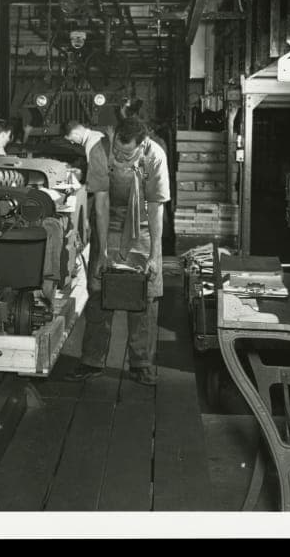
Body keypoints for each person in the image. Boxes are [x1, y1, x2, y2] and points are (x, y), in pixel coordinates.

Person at [65, 115, 170, 386]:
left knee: (145, 293)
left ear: (142, 143)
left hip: (145, 222)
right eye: (119, 152)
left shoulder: (155, 155)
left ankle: (141, 363)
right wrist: (101, 253)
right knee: (100, 287)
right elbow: (100, 202)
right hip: (109, 219)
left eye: (128, 153)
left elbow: (156, 208)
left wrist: (154, 255)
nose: (122, 157)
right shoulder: (101, 150)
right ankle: (91, 359)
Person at [64, 119, 108, 184]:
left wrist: (81, 176)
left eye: (71, 139)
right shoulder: (97, 134)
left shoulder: (91, 144)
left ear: (76, 133)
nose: (72, 142)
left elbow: (96, 176)